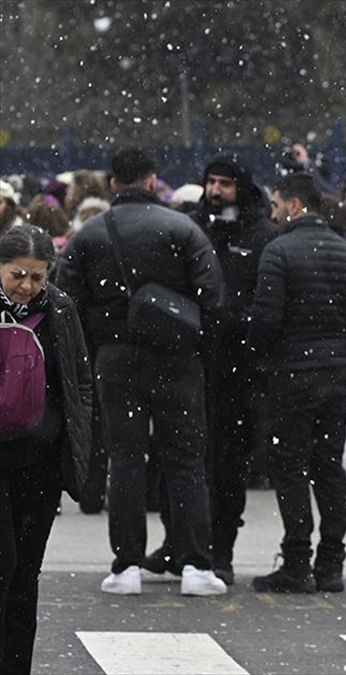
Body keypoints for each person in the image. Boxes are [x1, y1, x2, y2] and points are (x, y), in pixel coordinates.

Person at [57, 147, 226, 596]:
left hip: (116, 359)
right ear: (154, 181)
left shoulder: (90, 235)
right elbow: (213, 299)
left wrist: (98, 343)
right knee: (187, 462)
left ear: (114, 183)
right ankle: (195, 565)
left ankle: (127, 564)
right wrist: (192, 342)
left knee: (126, 460)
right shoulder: (183, 229)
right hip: (178, 359)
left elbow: (66, 304)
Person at [142, 154, 278, 584]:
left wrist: (233, 323)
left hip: (238, 369)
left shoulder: (262, 235)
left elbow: (263, 304)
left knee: (228, 464)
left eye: (226, 183)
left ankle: (220, 550)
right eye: (211, 182)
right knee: (178, 459)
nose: (217, 190)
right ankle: (177, 543)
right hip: (188, 360)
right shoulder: (190, 226)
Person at [245, 173, 346, 593]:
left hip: (291, 375)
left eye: (277, 204)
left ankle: (297, 558)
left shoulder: (277, 252)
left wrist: (257, 354)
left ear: (295, 204)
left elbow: (265, 320)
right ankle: (331, 562)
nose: (274, 213)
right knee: (329, 466)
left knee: (290, 465)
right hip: (336, 374)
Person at [0, 225, 92, 674]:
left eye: (37, 277)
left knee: (24, 576)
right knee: (4, 564)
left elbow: (79, 381)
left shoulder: (59, 308)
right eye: (17, 274)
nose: (27, 286)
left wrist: (75, 448)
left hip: (40, 463)